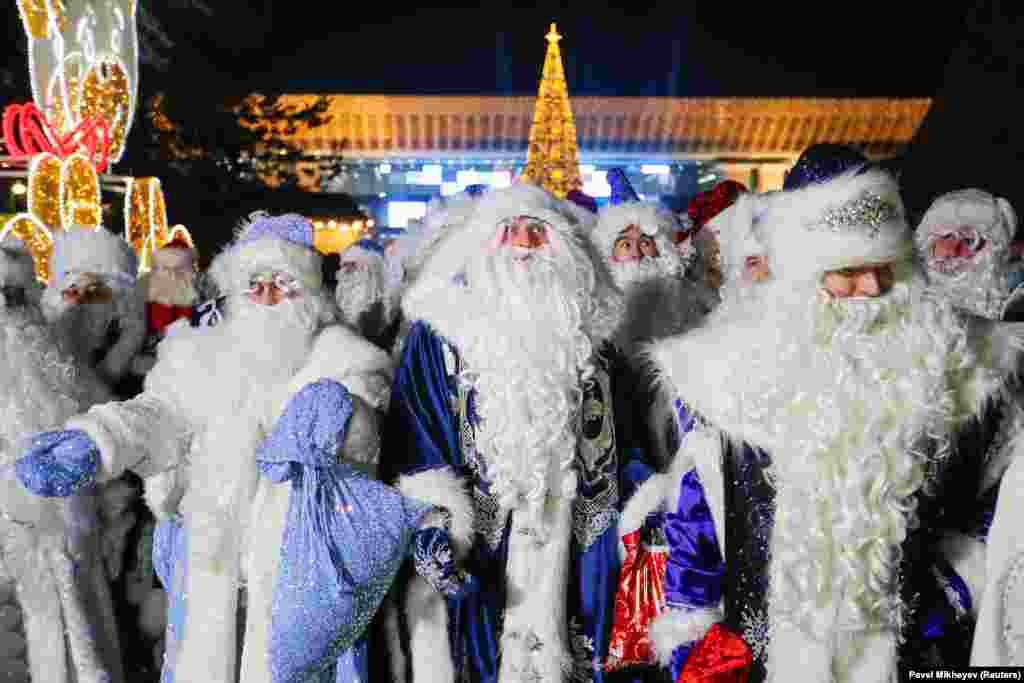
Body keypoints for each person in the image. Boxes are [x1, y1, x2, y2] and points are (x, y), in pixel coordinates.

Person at [15, 212, 472, 683]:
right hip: (214, 566)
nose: (269, 295)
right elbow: (159, 414)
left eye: (284, 283)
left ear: (310, 294)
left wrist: (338, 415)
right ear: (236, 291)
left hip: (304, 579)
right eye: (256, 284)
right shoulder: (199, 355)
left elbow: (367, 432)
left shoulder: (343, 357)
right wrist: (97, 440)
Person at [642, 145, 1024, 682]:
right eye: (847, 272)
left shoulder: (964, 373)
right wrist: (693, 637)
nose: (870, 289)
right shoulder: (721, 379)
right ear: (801, 279)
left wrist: (956, 587)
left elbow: (998, 503)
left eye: (884, 269)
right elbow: (696, 516)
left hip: (918, 656)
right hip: (764, 656)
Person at [380, 183, 624, 683]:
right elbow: (415, 432)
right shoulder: (439, 336)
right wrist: (435, 518)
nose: (523, 244)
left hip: (573, 551)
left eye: (537, 232)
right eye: (509, 231)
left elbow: (621, 444)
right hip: (482, 548)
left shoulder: (592, 344)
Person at [0, 235, 125, 682]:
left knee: (80, 628)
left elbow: (97, 430)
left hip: (72, 533)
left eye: (14, 296)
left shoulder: (56, 360)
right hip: (10, 542)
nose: (9, 310)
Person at [40, 228, 147, 400]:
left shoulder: (144, 362)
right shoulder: (44, 346)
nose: (81, 300)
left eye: (94, 292)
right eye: (73, 290)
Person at [133, 235, 200, 376]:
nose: (172, 275)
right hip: (149, 362)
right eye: (166, 269)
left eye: (179, 269)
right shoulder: (143, 296)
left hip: (187, 360)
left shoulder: (196, 298)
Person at [335, 238, 401, 351]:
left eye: (352, 265)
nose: (346, 271)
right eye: (344, 265)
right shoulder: (341, 299)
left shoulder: (382, 306)